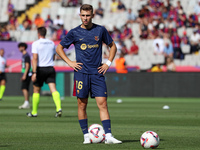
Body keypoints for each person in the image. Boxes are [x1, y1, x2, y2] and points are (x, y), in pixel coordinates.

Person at [56, 4, 122, 144]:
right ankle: (86, 136)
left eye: (88, 15)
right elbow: (59, 48)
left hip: (97, 73)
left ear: (92, 15)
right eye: (83, 15)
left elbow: (113, 46)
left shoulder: (100, 30)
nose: (85, 18)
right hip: (81, 74)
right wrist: (70, 62)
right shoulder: (74, 32)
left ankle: (109, 136)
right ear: (80, 15)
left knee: (103, 104)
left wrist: (108, 63)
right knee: (82, 104)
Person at [26, 27, 62, 117]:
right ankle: (59, 108)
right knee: (53, 89)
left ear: (38, 33)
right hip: (50, 68)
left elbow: (34, 58)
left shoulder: (36, 43)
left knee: (36, 90)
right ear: (45, 33)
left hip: (40, 69)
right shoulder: (51, 43)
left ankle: (34, 112)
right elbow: (54, 56)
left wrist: (34, 72)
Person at [18, 43, 32, 109]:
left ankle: (26, 102)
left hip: (27, 74)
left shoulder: (26, 56)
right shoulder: (24, 55)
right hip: (25, 73)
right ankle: (27, 102)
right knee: (25, 88)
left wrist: (24, 75)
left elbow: (27, 66)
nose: (19, 49)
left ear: (23, 47)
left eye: (20, 47)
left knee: (24, 88)